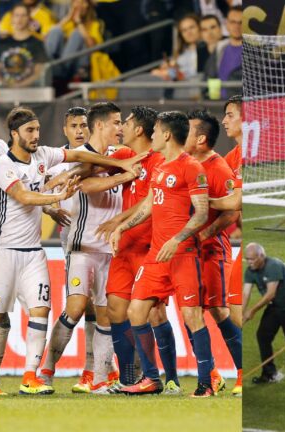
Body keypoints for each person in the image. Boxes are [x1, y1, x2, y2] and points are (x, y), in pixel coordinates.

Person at [0, 106, 144, 395]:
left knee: (92, 313)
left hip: (94, 250)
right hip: (70, 247)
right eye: (115, 123)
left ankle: (87, 376)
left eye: (37, 129)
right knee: (68, 310)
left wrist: (122, 164)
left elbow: (83, 160)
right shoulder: (10, 164)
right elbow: (76, 182)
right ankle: (27, 371)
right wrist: (55, 199)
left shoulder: (112, 155)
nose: (119, 127)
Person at [110, 111, 214, 397]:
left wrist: (178, 238)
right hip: (157, 254)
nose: (152, 136)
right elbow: (149, 208)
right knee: (136, 311)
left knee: (192, 315)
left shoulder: (191, 167)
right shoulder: (159, 169)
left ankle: (206, 383)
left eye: (155, 131)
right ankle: (152, 379)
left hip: (182, 253)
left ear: (167, 134)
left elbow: (202, 213)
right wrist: (122, 227)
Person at [40, 102, 131, 393]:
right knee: (77, 307)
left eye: (122, 122)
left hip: (111, 250)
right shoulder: (80, 161)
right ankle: (45, 372)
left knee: (105, 314)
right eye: (116, 122)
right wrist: (121, 174)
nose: (120, 128)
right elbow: (82, 181)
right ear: (101, 125)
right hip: (81, 246)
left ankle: (100, 377)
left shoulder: (120, 155)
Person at [93, 106, 170, 392]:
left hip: (150, 247)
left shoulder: (162, 160)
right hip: (124, 248)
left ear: (139, 129)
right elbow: (92, 169)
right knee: (116, 309)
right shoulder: (126, 156)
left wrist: (118, 220)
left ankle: (167, 377)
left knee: (153, 313)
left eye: (125, 121)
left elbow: (149, 204)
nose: (121, 126)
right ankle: (127, 379)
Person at [185, 109, 243, 396]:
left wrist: (206, 233)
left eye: (188, 130)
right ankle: (211, 375)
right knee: (189, 312)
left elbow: (233, 210)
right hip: (186, 253)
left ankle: (244, 373)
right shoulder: (182, 164)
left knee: (220, 311)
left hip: (210, 251)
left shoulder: (218, 168)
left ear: (201, 138)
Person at [242, 243, 285, 384]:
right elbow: (245, 293)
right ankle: (269, 374)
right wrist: (240, 316)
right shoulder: (250, 271)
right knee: (263, 336)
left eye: (252, 259)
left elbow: (271, 294)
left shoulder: (273, 266)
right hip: (274, 308)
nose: (249, 262)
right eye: (247, 259)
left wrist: (251, 311)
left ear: (262, 256)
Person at [0, 3, 50, 88]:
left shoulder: (37, 44)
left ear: (29, 19)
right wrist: (7, 85)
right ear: (11, 18)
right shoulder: (2, 43)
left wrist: (19, 86)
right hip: (4, 91)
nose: (20, 19)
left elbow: (39, 73)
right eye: (17, 15)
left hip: (30, 92)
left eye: (23, 15)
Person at [45, 0, 104, 81]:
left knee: (77, 34)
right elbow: (46, 38)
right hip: (57, 62)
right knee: (56, 30)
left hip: (74, 66)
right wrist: (68, 17)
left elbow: (92, 46)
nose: (78, 5)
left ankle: (62, 68)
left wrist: (79, 23)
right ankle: (47, 65)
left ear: (87, 6)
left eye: (82, 2)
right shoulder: (67, 23)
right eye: (76, 2)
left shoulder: (94, 24)